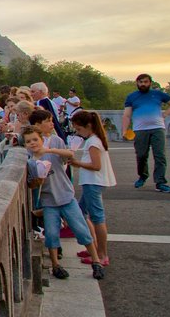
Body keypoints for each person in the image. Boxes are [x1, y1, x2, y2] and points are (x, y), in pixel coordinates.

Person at [21, 119, 104, 281]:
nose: (32, 143)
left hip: (66, 197)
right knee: (51, 234)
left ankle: (96, 261)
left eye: (35, 140)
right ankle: (55, 265)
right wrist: (37, 181)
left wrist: (50, 150)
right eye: (28, 141)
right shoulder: (30, 162)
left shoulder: (52, 152)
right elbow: (31, 184)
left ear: (41, 139)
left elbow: (70, 155)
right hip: (49, 201)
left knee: (81, 230)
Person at [70, 110, 116, 267]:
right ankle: (93, 249)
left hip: (93, 182)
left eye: (79, 129)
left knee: (97, 217)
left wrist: (76, 163)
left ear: (88, 126)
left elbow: (96, 166)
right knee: (80, 212)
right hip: (92, 182)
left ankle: (102, 254)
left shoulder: (93, 142)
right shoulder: (95, 139)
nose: (78, 133)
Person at [123, 73, 170, 193]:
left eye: (145, 82)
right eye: (140, 82)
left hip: (158, 128)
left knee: (160, 156)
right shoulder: (131, 97)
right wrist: (124, 130)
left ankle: (160, 182)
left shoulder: (158, 94)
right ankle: (143, 176)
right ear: (137, 83)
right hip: (140, 130)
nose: (143, 84)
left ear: (150, 83)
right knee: (141, 155)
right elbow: (127, 115)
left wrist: (166, 113)